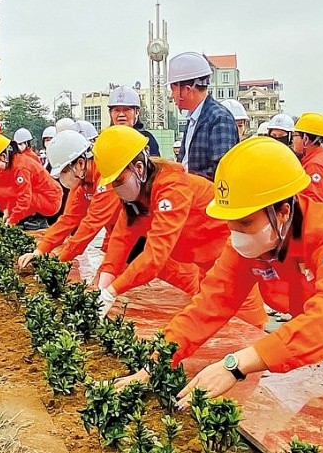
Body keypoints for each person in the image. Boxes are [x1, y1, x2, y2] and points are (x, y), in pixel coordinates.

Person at [118, 137, 323, 411]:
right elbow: (210, 303)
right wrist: (156, 362)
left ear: (284, 210)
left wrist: (237, 365)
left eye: (245, 222)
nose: (236, 233)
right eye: (231, 222)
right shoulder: (254, 240)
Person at [91, 125, 267, 326]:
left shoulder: (172, 188)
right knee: (209, 325)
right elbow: (120, 241)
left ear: (138, 168)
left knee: (246, 329)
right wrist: (101, 289)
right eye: (113, 183)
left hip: (233, 264)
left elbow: (154, 257)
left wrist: (112, 291)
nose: (116, 188)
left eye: (119, 180)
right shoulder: (137, 200)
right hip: (204, 267)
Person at [17, 130, 123, 268]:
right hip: (117, 235)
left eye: (64, 172)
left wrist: (59, 261)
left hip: (140, 236)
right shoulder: (82, 181)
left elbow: (91, 225)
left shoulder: (106, 177)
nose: (62, 178)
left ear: (80, 163)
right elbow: (68, 219)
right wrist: (40, 250)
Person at [170, 52, 238, 181]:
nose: (171, 95)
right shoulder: (193, 119)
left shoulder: (219, 119)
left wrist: (186, 180)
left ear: (187, 90)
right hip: (192, 195)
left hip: (208, 199)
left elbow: (220, 171)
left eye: (173, 89)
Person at [0, 133, 63, 229]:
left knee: (20, 193)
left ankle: (36, 218)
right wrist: (7, 210)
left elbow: (24, 197)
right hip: (40, 196)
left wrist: (12, 220)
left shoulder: (20, 168)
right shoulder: (12, 163)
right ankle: (28, 216)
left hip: (50, 201)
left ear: (3, 156)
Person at [291, 113, 323, 212]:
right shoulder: (318, 157)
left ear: (306, 139)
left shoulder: (315, 164)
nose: (292, 140)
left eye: (295, 135)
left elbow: (313, 204)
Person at [107, 85, 161, 156]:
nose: (121, 114)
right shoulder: (105, 140)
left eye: (127, 109)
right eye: (116, 110)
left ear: (137, 112)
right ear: (110, 113)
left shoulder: (146, 140)